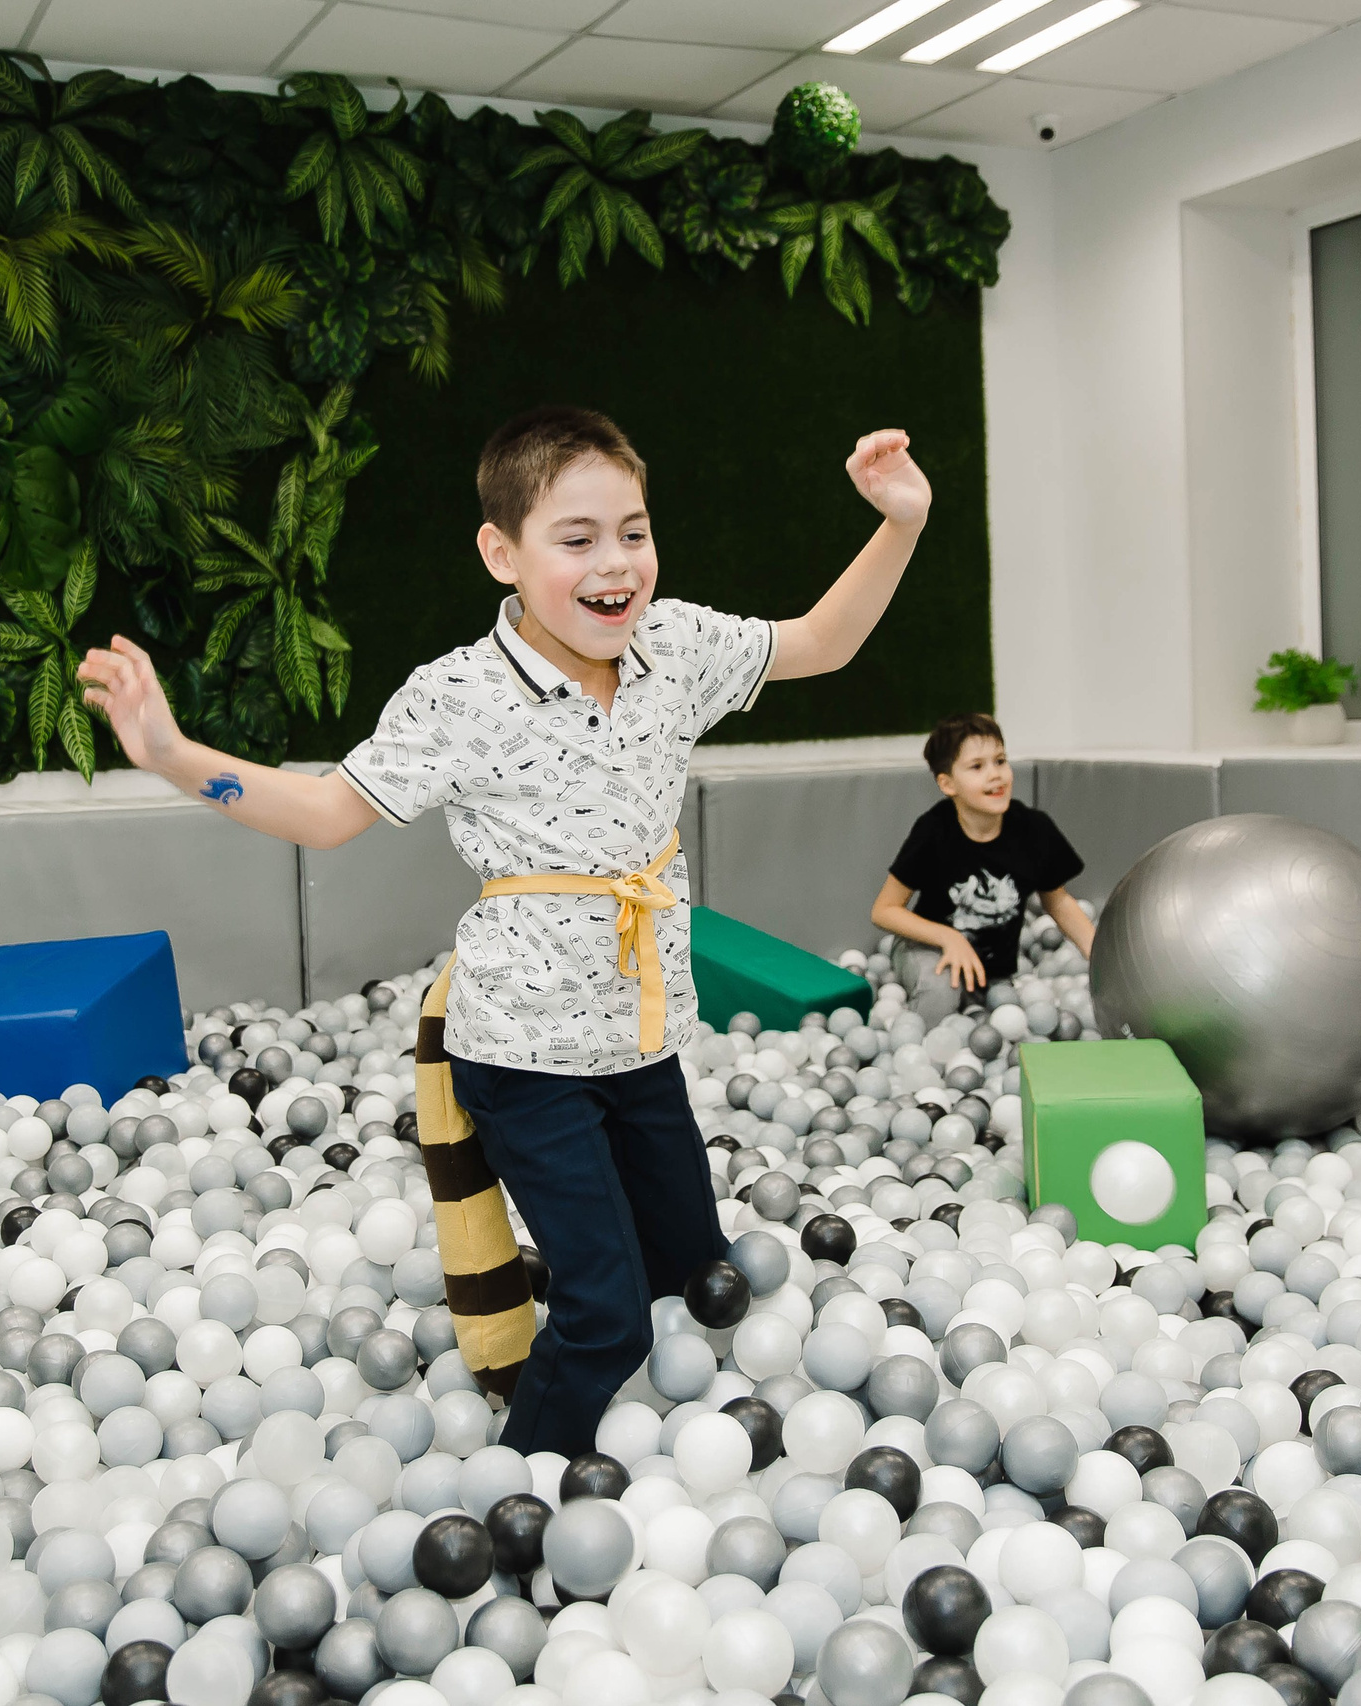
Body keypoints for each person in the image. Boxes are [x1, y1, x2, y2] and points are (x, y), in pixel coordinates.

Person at [78, 404, 931, 1455]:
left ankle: (656, 1417)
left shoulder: (674, 650)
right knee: (608, 1313)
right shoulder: (460, 696)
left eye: (634, 529)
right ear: (502, 552)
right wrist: (171, 753)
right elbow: (326, 813)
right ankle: (524, 1482)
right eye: (576, 539)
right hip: (524, 1053)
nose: (616, 562)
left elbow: (822, 642)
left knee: (693, 1271)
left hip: (642, 1039)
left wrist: (899, 521)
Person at [870, 712, 1094, 1023]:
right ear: (947, 784)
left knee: (1005, 1011)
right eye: (977, 766)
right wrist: (949, 938)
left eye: (1000, 761)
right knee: (941, 992)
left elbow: (1058, 902)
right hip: (926, 945)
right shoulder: (933, 832)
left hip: (992, 969)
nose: (996, 775)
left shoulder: (1034, 830)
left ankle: (974, 998)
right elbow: (884, 909)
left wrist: (1099, 956)